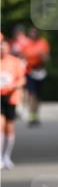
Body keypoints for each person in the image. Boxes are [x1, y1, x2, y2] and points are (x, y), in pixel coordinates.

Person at [0, 33, 26, 169]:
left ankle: (6, 156)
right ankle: (0, 157)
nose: (2, 50)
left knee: (9, 129)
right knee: (0, 125)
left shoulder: (15, 62)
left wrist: (14, 86)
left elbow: (22, 79)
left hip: (11, 97)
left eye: (4, 48)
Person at [20, 27, 50, 126]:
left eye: (35, 33)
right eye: (31, 33)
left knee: (38, 95)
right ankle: (31, 116)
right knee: (31, 94)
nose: (33, 34)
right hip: (30, 71)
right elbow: (22, 57)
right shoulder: (26, 44)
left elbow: (47, 57)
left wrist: (43, 56)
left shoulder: (43, 43)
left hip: (40, 71)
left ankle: (36, 115)